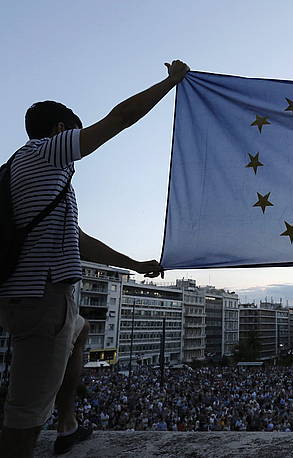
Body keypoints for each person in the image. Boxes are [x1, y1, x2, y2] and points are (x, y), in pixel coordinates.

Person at [0, 59, 189, 457]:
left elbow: (80, 241)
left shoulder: (23, 171)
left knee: (81, 331)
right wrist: (170, 82)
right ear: (59, 130)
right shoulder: (45, 154)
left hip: (34, 298)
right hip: (42, 296)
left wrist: (134, 266)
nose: (80, 139)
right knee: (26, 412)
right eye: (75, 130)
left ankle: (68, 423)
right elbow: (120, 118)